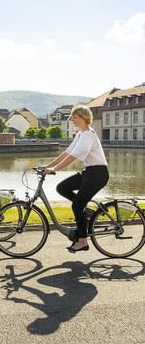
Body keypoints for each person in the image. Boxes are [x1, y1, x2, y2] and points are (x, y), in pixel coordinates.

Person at [45, 105, 109, 252]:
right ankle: (86, 212)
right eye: (72, 117)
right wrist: (46, 167)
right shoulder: (80, 135)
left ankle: (82, 241)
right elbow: (67, 153)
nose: (73, 119)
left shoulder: (89, 135)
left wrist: (55, 169)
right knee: (62, 188)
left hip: (98, 174)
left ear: (84, 118)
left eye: (75, 117)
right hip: (88, 172)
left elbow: (74, 156)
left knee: (76, 206)